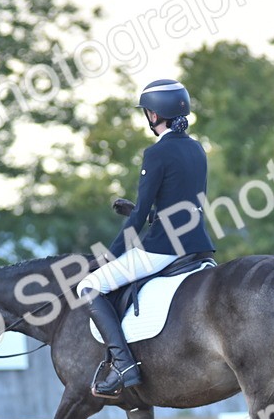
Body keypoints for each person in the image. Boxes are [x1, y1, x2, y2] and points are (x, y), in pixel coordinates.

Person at [76, 78, 216, 397]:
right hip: (199, 246)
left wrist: (110, 256)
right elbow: (183, 206)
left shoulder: (156, 153)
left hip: (164, 249)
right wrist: (150, 213)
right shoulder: (198, 149)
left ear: (154, 116)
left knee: (89, 286)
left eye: (147, 113)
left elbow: (139, 217)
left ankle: (124, 365)